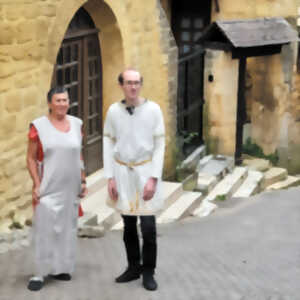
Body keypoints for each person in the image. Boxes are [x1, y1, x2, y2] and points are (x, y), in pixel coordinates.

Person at [103, 69, 165, 291]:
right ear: (121, 85)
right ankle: (133, 267)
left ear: (141, 84)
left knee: (147, 227)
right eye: (129, 83)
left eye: (137, 82)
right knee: (128, 225)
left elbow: (159, 145)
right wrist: (109, 177)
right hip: (122, 174)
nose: (133, 87)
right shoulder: (113, 111)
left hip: (145, 172)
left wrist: (154, 179)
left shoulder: (153, 110)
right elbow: (108, 142)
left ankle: (149, 271)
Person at [26, 86, 87, 291]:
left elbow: (79, 156)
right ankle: (38, 273)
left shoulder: (77, 124)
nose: (63, 104)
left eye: (65, 100)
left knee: (67, 228)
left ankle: (61, 267)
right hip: (48, 185)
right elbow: (31, 158)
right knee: (45, 228)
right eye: (58, 100)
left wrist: (83, 180)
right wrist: (36, 183)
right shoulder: (39, 126)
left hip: (70, 185)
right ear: (50, 103)